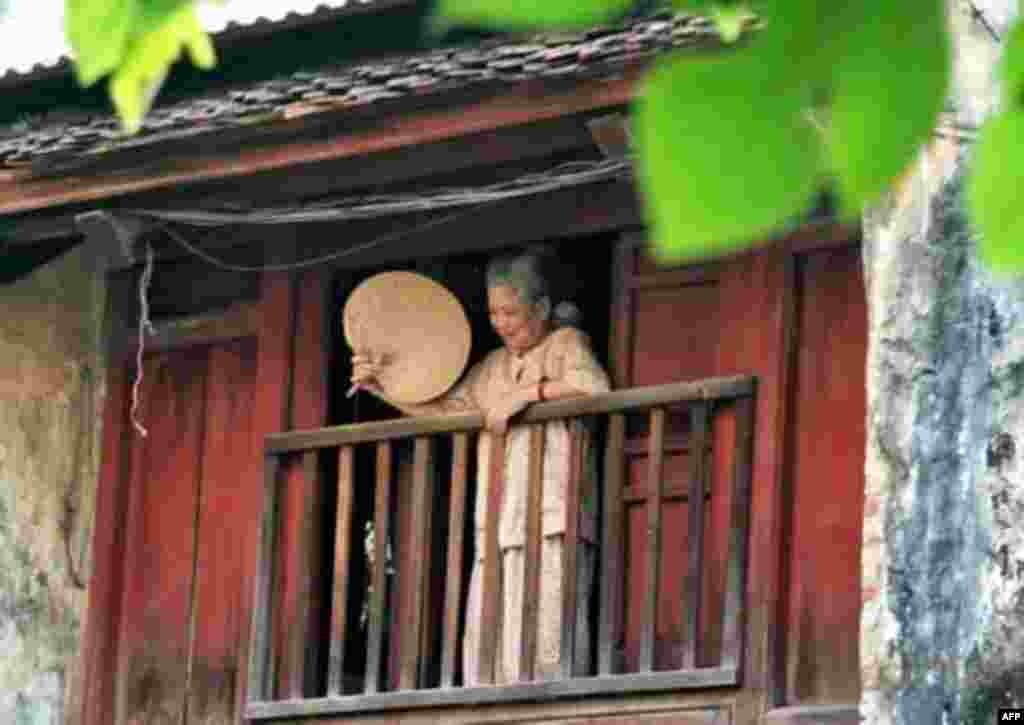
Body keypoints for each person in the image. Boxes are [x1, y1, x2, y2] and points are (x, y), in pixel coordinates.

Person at [351, 250, 611, 684]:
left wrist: (532, 393)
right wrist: (380, 388)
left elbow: (595, 388)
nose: (500, 322)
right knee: (496, 625)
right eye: (494, 312)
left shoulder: (567, 344)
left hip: (553, 514)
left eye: (510, 311)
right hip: (499, 517)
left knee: (548, 622)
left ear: (541, 309)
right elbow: (443, 412)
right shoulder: (492, 367)